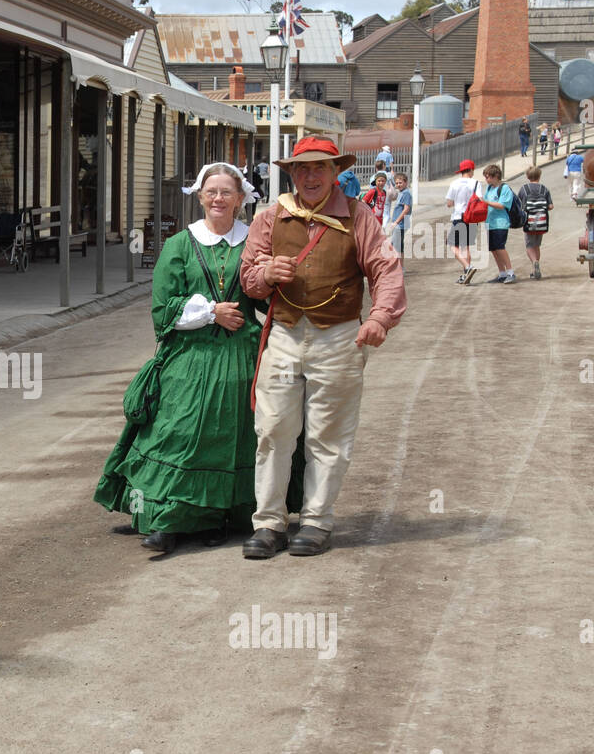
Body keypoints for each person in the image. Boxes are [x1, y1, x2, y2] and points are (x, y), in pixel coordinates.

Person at [95, 163, 300, 554]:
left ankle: (225, 516)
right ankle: (169, 520)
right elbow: (162, 309)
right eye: (212, 192)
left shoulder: (254, 242)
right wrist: (210, 313)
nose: (219, 199)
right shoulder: (179, 245)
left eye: (227, 192)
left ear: (242, 199)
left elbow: (264, 296)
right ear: (200, 196)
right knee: (179, 432)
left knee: (237, 437)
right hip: (190, 355)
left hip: (242, 355)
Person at [239, 137, 406, 558]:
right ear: (292, 173)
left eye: (319, 168)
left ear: (335, 172)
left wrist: (380, 318)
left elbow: (385, 268)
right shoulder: (271, 216)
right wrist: (266, 274)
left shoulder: (358, 214)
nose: (310, 176)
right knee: (274, 430)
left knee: (328, 436)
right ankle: (270, 522)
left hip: (339, 336)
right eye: (302, 169)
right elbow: (248, 276)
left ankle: (316, 521)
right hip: (283, 334)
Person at [446, 159, 480, 284]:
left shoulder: (455, 183)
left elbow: (449, 203)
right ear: (471, 170)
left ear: (461, 171)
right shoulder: (476, 183)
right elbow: (480, 199)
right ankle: (466, 274)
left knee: (453, 246)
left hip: (459, 216)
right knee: (466, 247)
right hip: (472, 217)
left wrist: (457, 202)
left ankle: (467, 267)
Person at [481, 163, 516, 283]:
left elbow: (502, 205)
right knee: (494, 249)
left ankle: (510, 272)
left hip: (500, 223)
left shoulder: (504, 188)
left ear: (495, 176)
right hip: (490, 222)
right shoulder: (490, 188)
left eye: (487, 176)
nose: (486, 179)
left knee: (500, 248)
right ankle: (502, 273)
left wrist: (485, 202)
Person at [518, 165, 553, 280]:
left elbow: (520, 205)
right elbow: (550, 206)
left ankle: (534, 263)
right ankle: (535, 267)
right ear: (539, 175)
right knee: (537, 245)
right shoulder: (544, 189)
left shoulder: (524, 189)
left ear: (528, 176)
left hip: (529, 221)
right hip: (542, 222)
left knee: (529, 245)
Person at [384, 172, 412, 266]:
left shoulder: (406, 193)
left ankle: (398, 269)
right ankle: (400, 267)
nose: (398, 185)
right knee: (398, 246)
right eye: (397, 183)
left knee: (396, 248)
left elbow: (406, 209)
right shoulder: (402, 192)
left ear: (406, 182)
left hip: (400, 224)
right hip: (401, 223)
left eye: (400, 182)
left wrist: (396, 222)